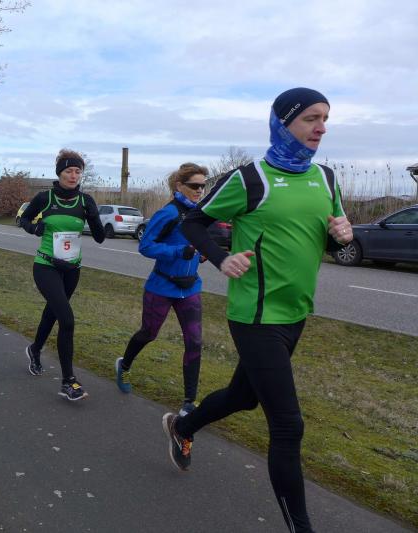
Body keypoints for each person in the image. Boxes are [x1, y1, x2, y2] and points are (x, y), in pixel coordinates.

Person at [162, 88, 352, 533]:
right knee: (287, 425)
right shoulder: (250, 179)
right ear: (283, 123)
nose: (322, 128)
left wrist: (342, 235)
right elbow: (192, 222)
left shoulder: (326, 178)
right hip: (256, 316)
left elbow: (324, 239)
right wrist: (220, 258)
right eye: (311, 118)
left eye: (325, 118)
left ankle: (183, 427)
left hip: (296, 313)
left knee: (243, 397)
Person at [115, 163, 208, 418]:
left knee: (195, 342)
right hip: (162, 286)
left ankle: (189, 402)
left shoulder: (200, 213)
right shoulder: (168, 213)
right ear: (179, 186)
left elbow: (197, 243)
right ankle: (125, 365)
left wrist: (201, 254)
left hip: (190, 287)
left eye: (203, 186)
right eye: (195, 186)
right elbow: (146, 246)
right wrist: (178, 252)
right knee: (149, 333)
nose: (200, 190)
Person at [19, 149, 105, 401]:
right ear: (60, 173)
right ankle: (68, 381)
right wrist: (35, 228)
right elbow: (24, 219)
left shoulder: (85, 201)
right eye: (69, 171)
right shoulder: (44, 198)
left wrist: (94, 217)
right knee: (66, 320)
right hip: (46, 266)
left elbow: (100, 238)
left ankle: (35, 349)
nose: (73, 175)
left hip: (72, 270)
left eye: (78, 171)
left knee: (53, 312)